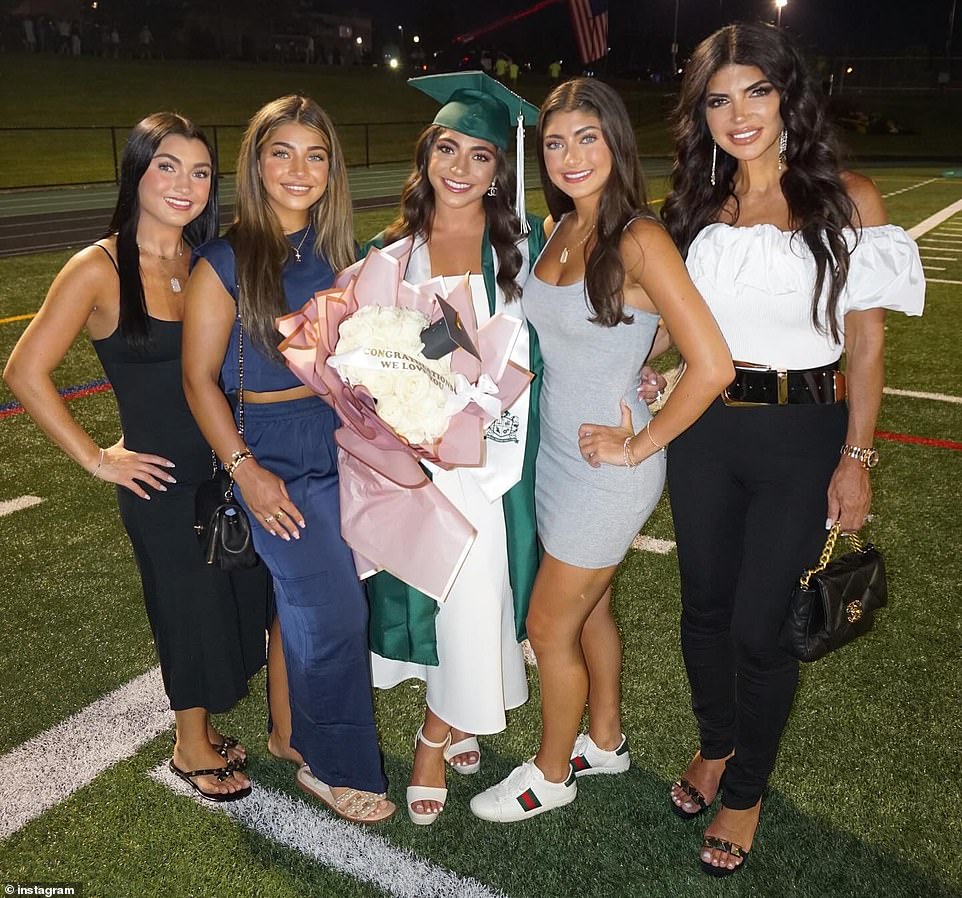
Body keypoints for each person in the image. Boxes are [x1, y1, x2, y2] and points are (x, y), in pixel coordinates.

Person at [652, 23, 924, 875]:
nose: (738, 113)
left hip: (803, 436)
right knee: (702, 608)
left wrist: (859, 457)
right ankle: (716, 742)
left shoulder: (849, 199)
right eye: (719, 98)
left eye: (755, 91)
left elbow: (866, 347)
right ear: (703, 112)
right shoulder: (695, 206)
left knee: (760, 627)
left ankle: (745, 792)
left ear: (787, 96)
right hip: (704, 433)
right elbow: (672, 330)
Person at [470, 77, 733, 823]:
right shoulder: (558, 228)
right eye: (555, 142)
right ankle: (605, 740)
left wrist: (638, 441)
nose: (569, 155)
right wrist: (642, 354)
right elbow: (619, 327)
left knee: (548, 624)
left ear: (616, 143)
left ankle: (553, 773)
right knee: (589, 615)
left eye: (587, 138)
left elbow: (713, 363)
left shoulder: (639, 238)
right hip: (553, 457)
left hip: (607, 472)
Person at [3, 113, 269, 802]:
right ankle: (190, 745)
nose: (186, 184)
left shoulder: (208, 258)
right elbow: (25, 371)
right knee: (185, 606)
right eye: (168, 166)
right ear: (137, 171)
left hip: (227, 464)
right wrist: (95, 458)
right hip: (159, 479)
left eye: (201, 172)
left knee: (232, 599)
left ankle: (207, 727)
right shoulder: (97, 268)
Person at [181, 95, 396, 824]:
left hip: (338, 444)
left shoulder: (343, 256)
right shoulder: (224, 258)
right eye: (282, 152)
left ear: (332, 167)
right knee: (333, 613)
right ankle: (336, 767)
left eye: (315, 154)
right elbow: (197, 381)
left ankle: (287, 734)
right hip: (269, 454)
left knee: (308, 608)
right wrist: (247, 471)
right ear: (257, 162)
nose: (298, 170)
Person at [362, 72, 544, 826]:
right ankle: (456, 711)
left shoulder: (526, 247)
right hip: (411, 455)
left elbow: (549, 339)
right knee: (425, 596)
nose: (460, 168)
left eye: (480, 155)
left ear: (501, 169)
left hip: (490, 459)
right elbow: (363, 347)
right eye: (447, 148)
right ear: (426, 154)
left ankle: (434, 738)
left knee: (476, 598)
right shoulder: (389, 250)